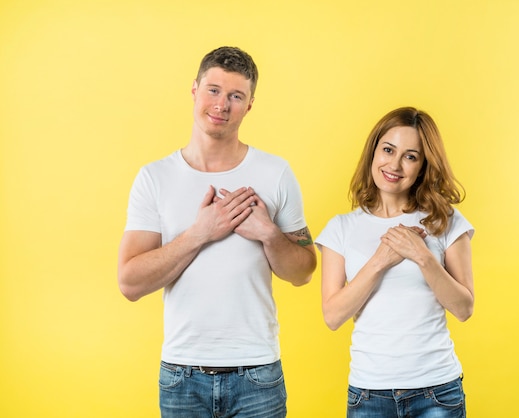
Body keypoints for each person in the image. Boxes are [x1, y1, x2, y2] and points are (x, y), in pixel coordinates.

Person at [117, 46, 317, 418]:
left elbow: (304, 272)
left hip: (258, 374)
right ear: (194, 89)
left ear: (249, 105)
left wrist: (270, 234)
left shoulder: (275, 172)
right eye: (213, 90)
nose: (222, 104)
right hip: (182, 375)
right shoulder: (155, 178)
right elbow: (130, 283)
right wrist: (200, 233)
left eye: (235, 96)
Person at [315, 107, 474, 418]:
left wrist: (423, 256)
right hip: (369, 394)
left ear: (423, 166)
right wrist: (380, 260)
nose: (395, 164)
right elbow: (333, 316)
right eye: (388, 150)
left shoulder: (445, 221)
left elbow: (464, 308)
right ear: (374, 151)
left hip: (436, 392)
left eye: (410, 156)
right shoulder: (341, 228)